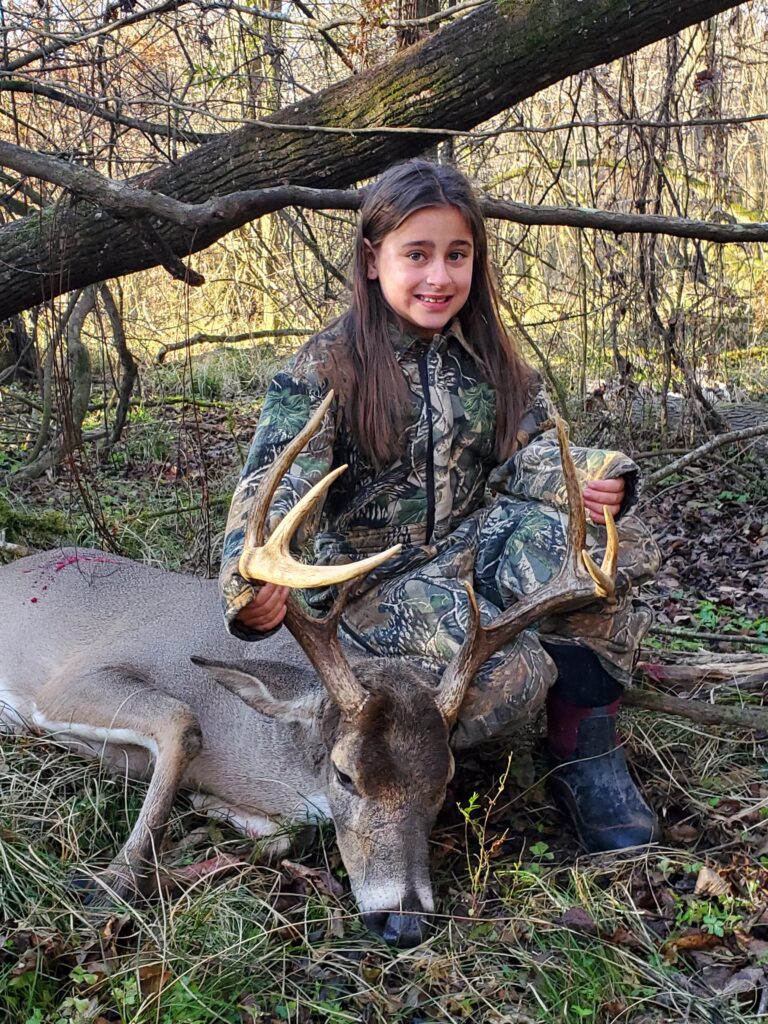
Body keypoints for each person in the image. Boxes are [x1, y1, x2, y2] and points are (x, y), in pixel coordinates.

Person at [219, 159, 661, 853]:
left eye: (457, 255)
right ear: (372, 260)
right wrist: (252, 585)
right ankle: (395, 776)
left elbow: (534, 454)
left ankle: (587, 758)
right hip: (369, 591)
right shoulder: (326, 367)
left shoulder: (489, 359)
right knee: (512, 676)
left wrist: (593, 480)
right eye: (416, 254)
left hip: (464, 552)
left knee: (606, 544)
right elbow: (269, 490)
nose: (439, 277)